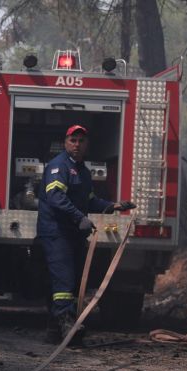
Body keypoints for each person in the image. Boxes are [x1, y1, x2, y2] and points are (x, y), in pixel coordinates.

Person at [37, 125, 136, 343]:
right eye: (73, 140)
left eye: (81, 141)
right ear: (65, 142)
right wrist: (79, 217)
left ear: (86, 145)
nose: (77, 145)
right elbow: (55, 197)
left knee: (70, 281)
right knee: (64, 279)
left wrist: (114, 206)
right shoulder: (59, 166)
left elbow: (89, 200)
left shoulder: (82, 171)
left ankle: (54, 331)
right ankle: (68, 327)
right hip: (57, 232)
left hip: (73, 234)